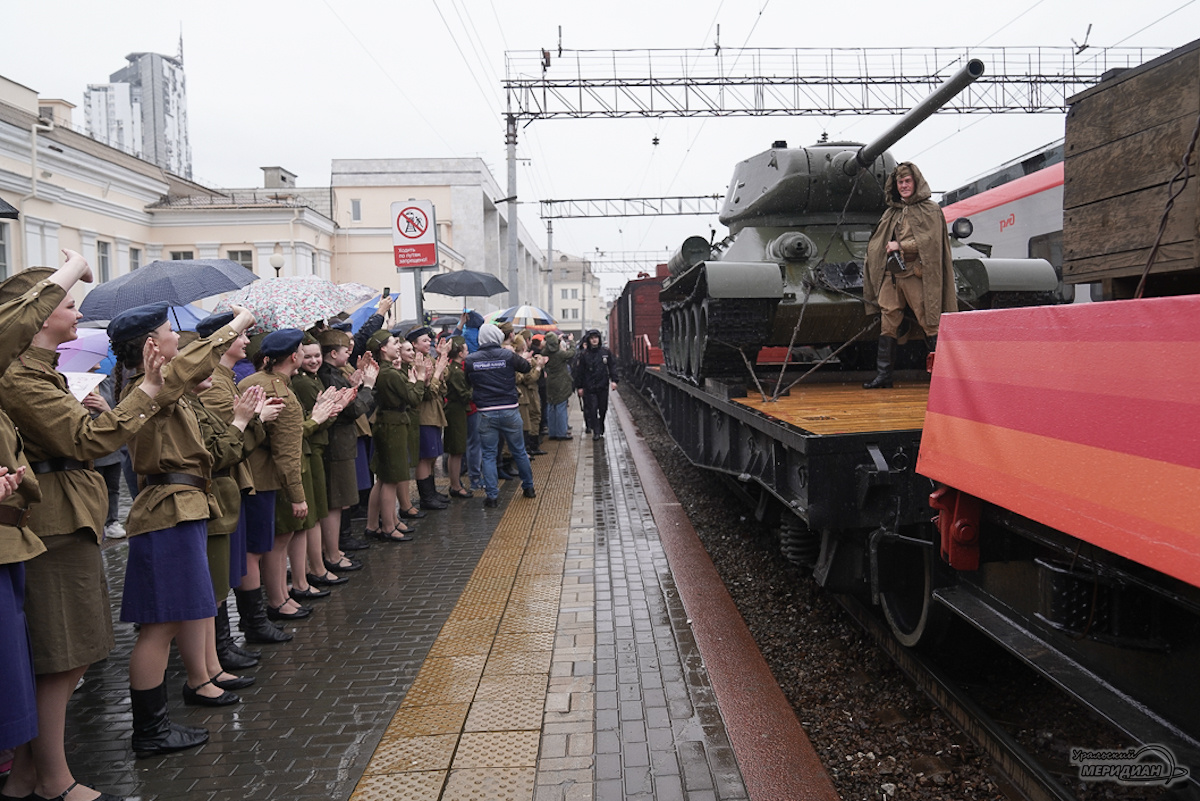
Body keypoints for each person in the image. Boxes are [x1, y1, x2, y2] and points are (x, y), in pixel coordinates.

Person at [111, 300, 255, 757]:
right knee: (161, 625)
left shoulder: (159, 387)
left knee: (174, 617)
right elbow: (190, 365)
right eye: (170, 331)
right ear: (153, 345)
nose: (180, 337)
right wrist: (236, 324)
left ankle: (163, 718)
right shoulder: (151, 386)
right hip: (168, 508)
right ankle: (150, 730)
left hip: (184, 504)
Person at [0, 253, 110, 799]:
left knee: (73, 653)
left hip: (68, 513)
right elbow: (83, 441)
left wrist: (90, 406)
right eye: (68, 303)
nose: (75, 313)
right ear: (41, 315)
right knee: (60, 656)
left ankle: (27, 774)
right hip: (51, 521)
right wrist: (150, 395)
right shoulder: (21, 375)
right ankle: (54, 779)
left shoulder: (41, 372)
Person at [862, 161, 957, 389]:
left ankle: (942, 376)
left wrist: (900, 246)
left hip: (916, 273)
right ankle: (884, 376)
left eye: (907, 181)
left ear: (916, 183)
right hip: (892, 275)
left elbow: (930, 241)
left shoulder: (930, 209)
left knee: (929, 320)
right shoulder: (891, 211)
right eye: (900, 182)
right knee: (888, 320)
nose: (903, 186)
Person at [464, 323, 536, 508]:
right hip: (510, 410)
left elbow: (468, 381)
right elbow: (527, 368)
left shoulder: (471, 360)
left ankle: (492, 497)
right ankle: (528, 488)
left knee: (488, 454)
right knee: (519, 451)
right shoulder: (507, 355)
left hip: (485, 412)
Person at [573, 329, 618, 441]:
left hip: (602, 385)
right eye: (592, 338)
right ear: (589, 340)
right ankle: (596, 431)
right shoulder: (584, 355)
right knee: (592, 409)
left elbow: (612, 366)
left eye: (596, 338)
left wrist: (614, 380)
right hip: (590, 386)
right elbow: (580, 372)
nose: (594, 340)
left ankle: (601, 423)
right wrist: (580, 387)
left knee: (603, 408)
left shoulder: (605, 352)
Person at [541, 332, 575, 440]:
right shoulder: (560, 354)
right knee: (561, 407)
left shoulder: (544, 353)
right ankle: (561, 433)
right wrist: (571, 341)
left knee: (551, 407)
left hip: (550, 383)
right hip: (561, 383)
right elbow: (572, 352)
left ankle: (553, 433)